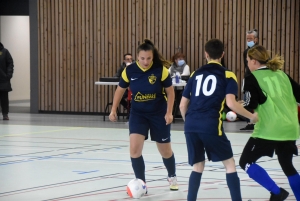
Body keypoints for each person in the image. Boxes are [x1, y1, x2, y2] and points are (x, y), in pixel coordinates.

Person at [179, 39, 258, 201]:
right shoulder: (227, 75)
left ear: (205, 54)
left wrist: (190, 122)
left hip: (191, 125)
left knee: (198, 166)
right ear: (222, 54)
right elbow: (230, 103)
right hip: (210, 125)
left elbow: (182, 105)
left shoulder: (195, 74)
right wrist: (251, 117)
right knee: (229, 164)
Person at [109, 39, 178, 192]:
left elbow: (170, 92)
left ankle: (172, 175)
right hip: (138, 114)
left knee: (165, 151)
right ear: (137, 57)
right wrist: (113, 109)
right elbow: (120, 89)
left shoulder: (161, 70)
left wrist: (169, 113)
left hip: (158, 114)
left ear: (153, 57)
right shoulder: (129, 71)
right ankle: (142, 184)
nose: (145, 61)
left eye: (148, 58)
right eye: (142, 58)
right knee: (134, 150)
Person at [239, 45, 300, 201]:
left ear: (253, 61)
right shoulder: (283, 75)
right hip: (290, 128)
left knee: (245, 161)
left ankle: (277, 193)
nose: (247, 64)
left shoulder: (252, 79)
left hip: (269, 130)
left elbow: (249, 105)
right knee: (287, 165)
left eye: (247, 61)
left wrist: (233, 105)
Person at [240, 29, 259, 131]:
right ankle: (250, 122)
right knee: (247, 101)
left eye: (250, 39)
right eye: (247, 39)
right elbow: (246, 65)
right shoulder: (246, 52)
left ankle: (258, 123)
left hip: (258, 79)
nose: (248, 41)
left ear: (255, 39)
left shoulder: (260, 51)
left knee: (256, 101)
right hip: (248, 78)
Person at [114, 53, 133, 118]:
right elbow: (116, 76)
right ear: (124, 61)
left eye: (131, 59)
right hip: (126, 89)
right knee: (120, 97)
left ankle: (131, 112)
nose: (130, 60)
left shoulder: (135, 67)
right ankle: (128, 108)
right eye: (128, 59)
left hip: (133, 88)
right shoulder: (122, 68)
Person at [0, 42, 14, 120]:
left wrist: (8, 75)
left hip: (3, 79)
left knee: (4, 98)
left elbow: (10, 63)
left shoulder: (5, 52)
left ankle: (5, 114)